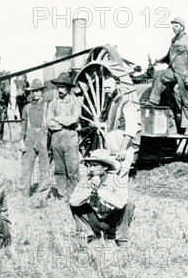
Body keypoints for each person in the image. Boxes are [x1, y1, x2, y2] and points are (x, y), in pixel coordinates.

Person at [69, 149, 134, 247]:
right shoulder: (86, 179)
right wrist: (90, 190)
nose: (91, 169)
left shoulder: (116, 179)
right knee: (77, 204)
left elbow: (122, 203)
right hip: (94, 220)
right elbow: (72, 201)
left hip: (112, 220)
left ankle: (122, 239)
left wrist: (99, 191)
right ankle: (87, 234)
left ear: (106, 167)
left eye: (95, 165)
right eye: (89, 165)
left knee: (128, 204)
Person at [147, 17, 188, 135]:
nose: (173, 28)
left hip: (183, 73)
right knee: (159, 75)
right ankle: (154, 101)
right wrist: (159, 61)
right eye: (173, 26)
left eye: (176, 26)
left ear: (182, 27)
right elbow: (170, 56)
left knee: (186, 101)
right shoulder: (174, 41)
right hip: (172, 71)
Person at [45, 72, 81, 200]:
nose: (60, 90)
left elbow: (73, 119)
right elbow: (49, 122)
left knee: (72, 169)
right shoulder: (53, 103)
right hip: (56, 139)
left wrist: (57, 119)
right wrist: (59, 123)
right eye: (58, 87)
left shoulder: (75, 102)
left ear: (68, 88)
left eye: (63, 87)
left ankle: (73, 195)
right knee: (59, 169)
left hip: (70, 139)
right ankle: (62, 194)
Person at [100, 76, 141, 180]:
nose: (106, 91)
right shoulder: (110, 102)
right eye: (104, 88)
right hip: (111, 143)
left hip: (121, 143)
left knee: (120, 175)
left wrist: (123, 148)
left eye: (108, 87)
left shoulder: (126, 103)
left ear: (117, 86)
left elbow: (132, 127)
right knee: (111, 175)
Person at [19, 79, 50, 202]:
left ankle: (41, 194)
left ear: (42, 92)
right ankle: (24, 193)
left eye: (38, 91)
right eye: (34, 91)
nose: (36, 94)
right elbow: (23, 126)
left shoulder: (48, 106)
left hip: (43, 137)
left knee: (44, 166)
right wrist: (21, 140)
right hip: (30, 138)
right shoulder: (27, 108)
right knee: (26, 166)